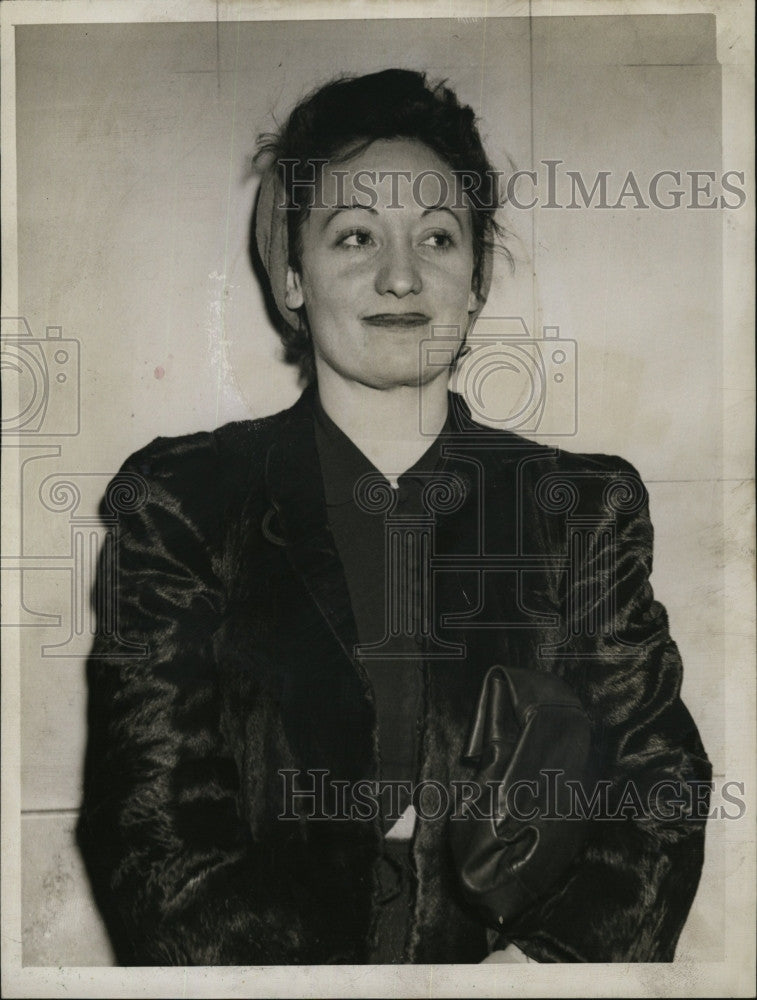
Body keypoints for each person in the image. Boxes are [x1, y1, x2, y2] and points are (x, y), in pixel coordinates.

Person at [77, 69, 711, 966]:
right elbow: (152, 828)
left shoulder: (578, 511)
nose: (402, 276)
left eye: (438, 237)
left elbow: (658, 792)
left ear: (477, 279)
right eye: (355, 237)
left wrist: (533, 983)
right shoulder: (183, 501)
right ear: (292, 276)